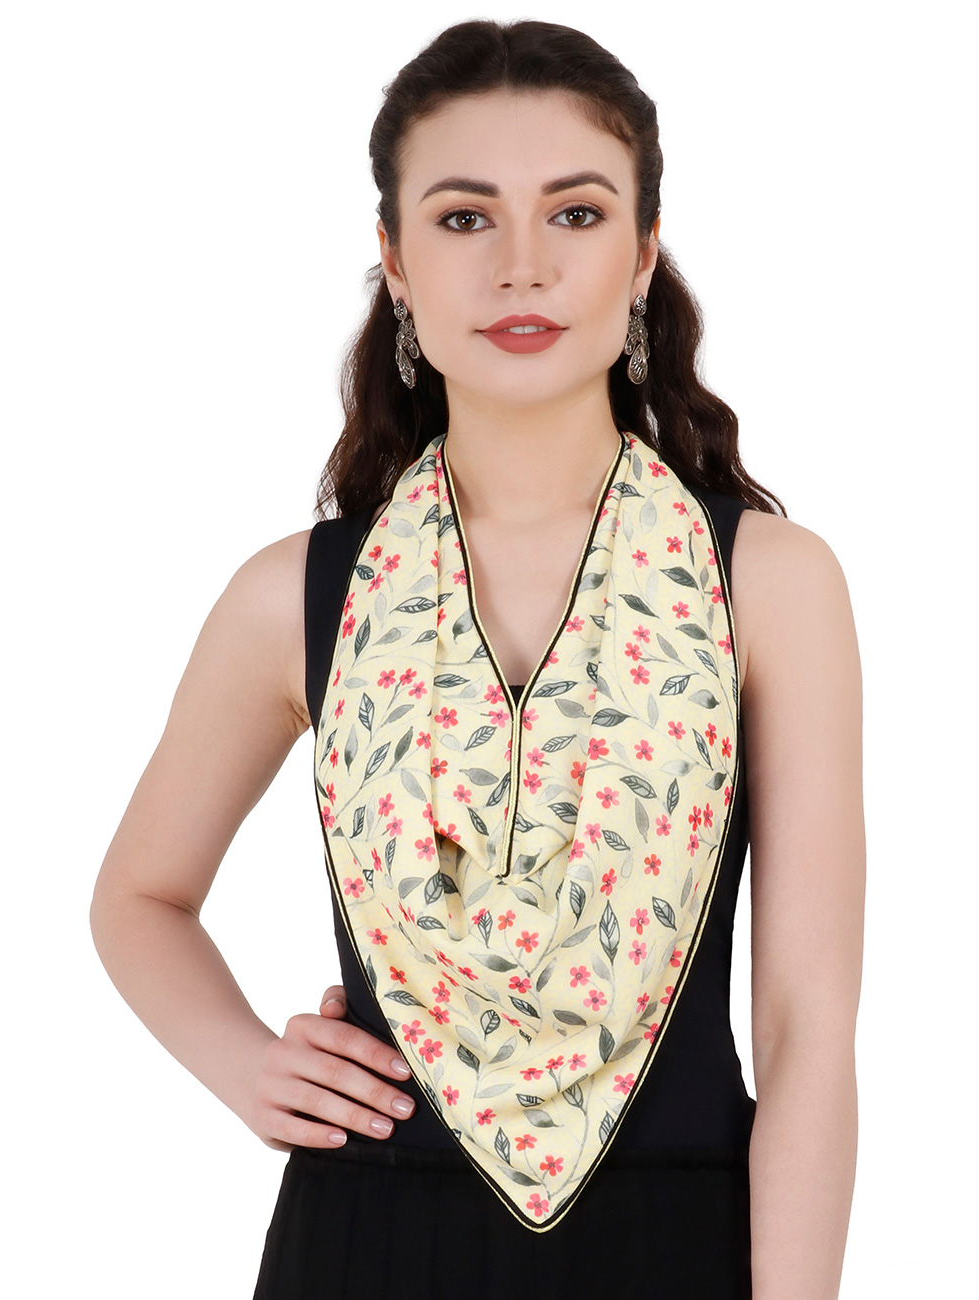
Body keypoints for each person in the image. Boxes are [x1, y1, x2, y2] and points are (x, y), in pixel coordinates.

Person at [89, 18, 864, 1299]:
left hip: (678, 1240)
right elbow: (136, 897)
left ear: (642, 252)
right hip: (363, 1238)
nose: (520, 267)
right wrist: (248, 1067)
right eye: (463, 219)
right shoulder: (294, 595)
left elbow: (806, 1031)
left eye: (575, 213)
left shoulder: (770, 584)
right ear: (394, 261)